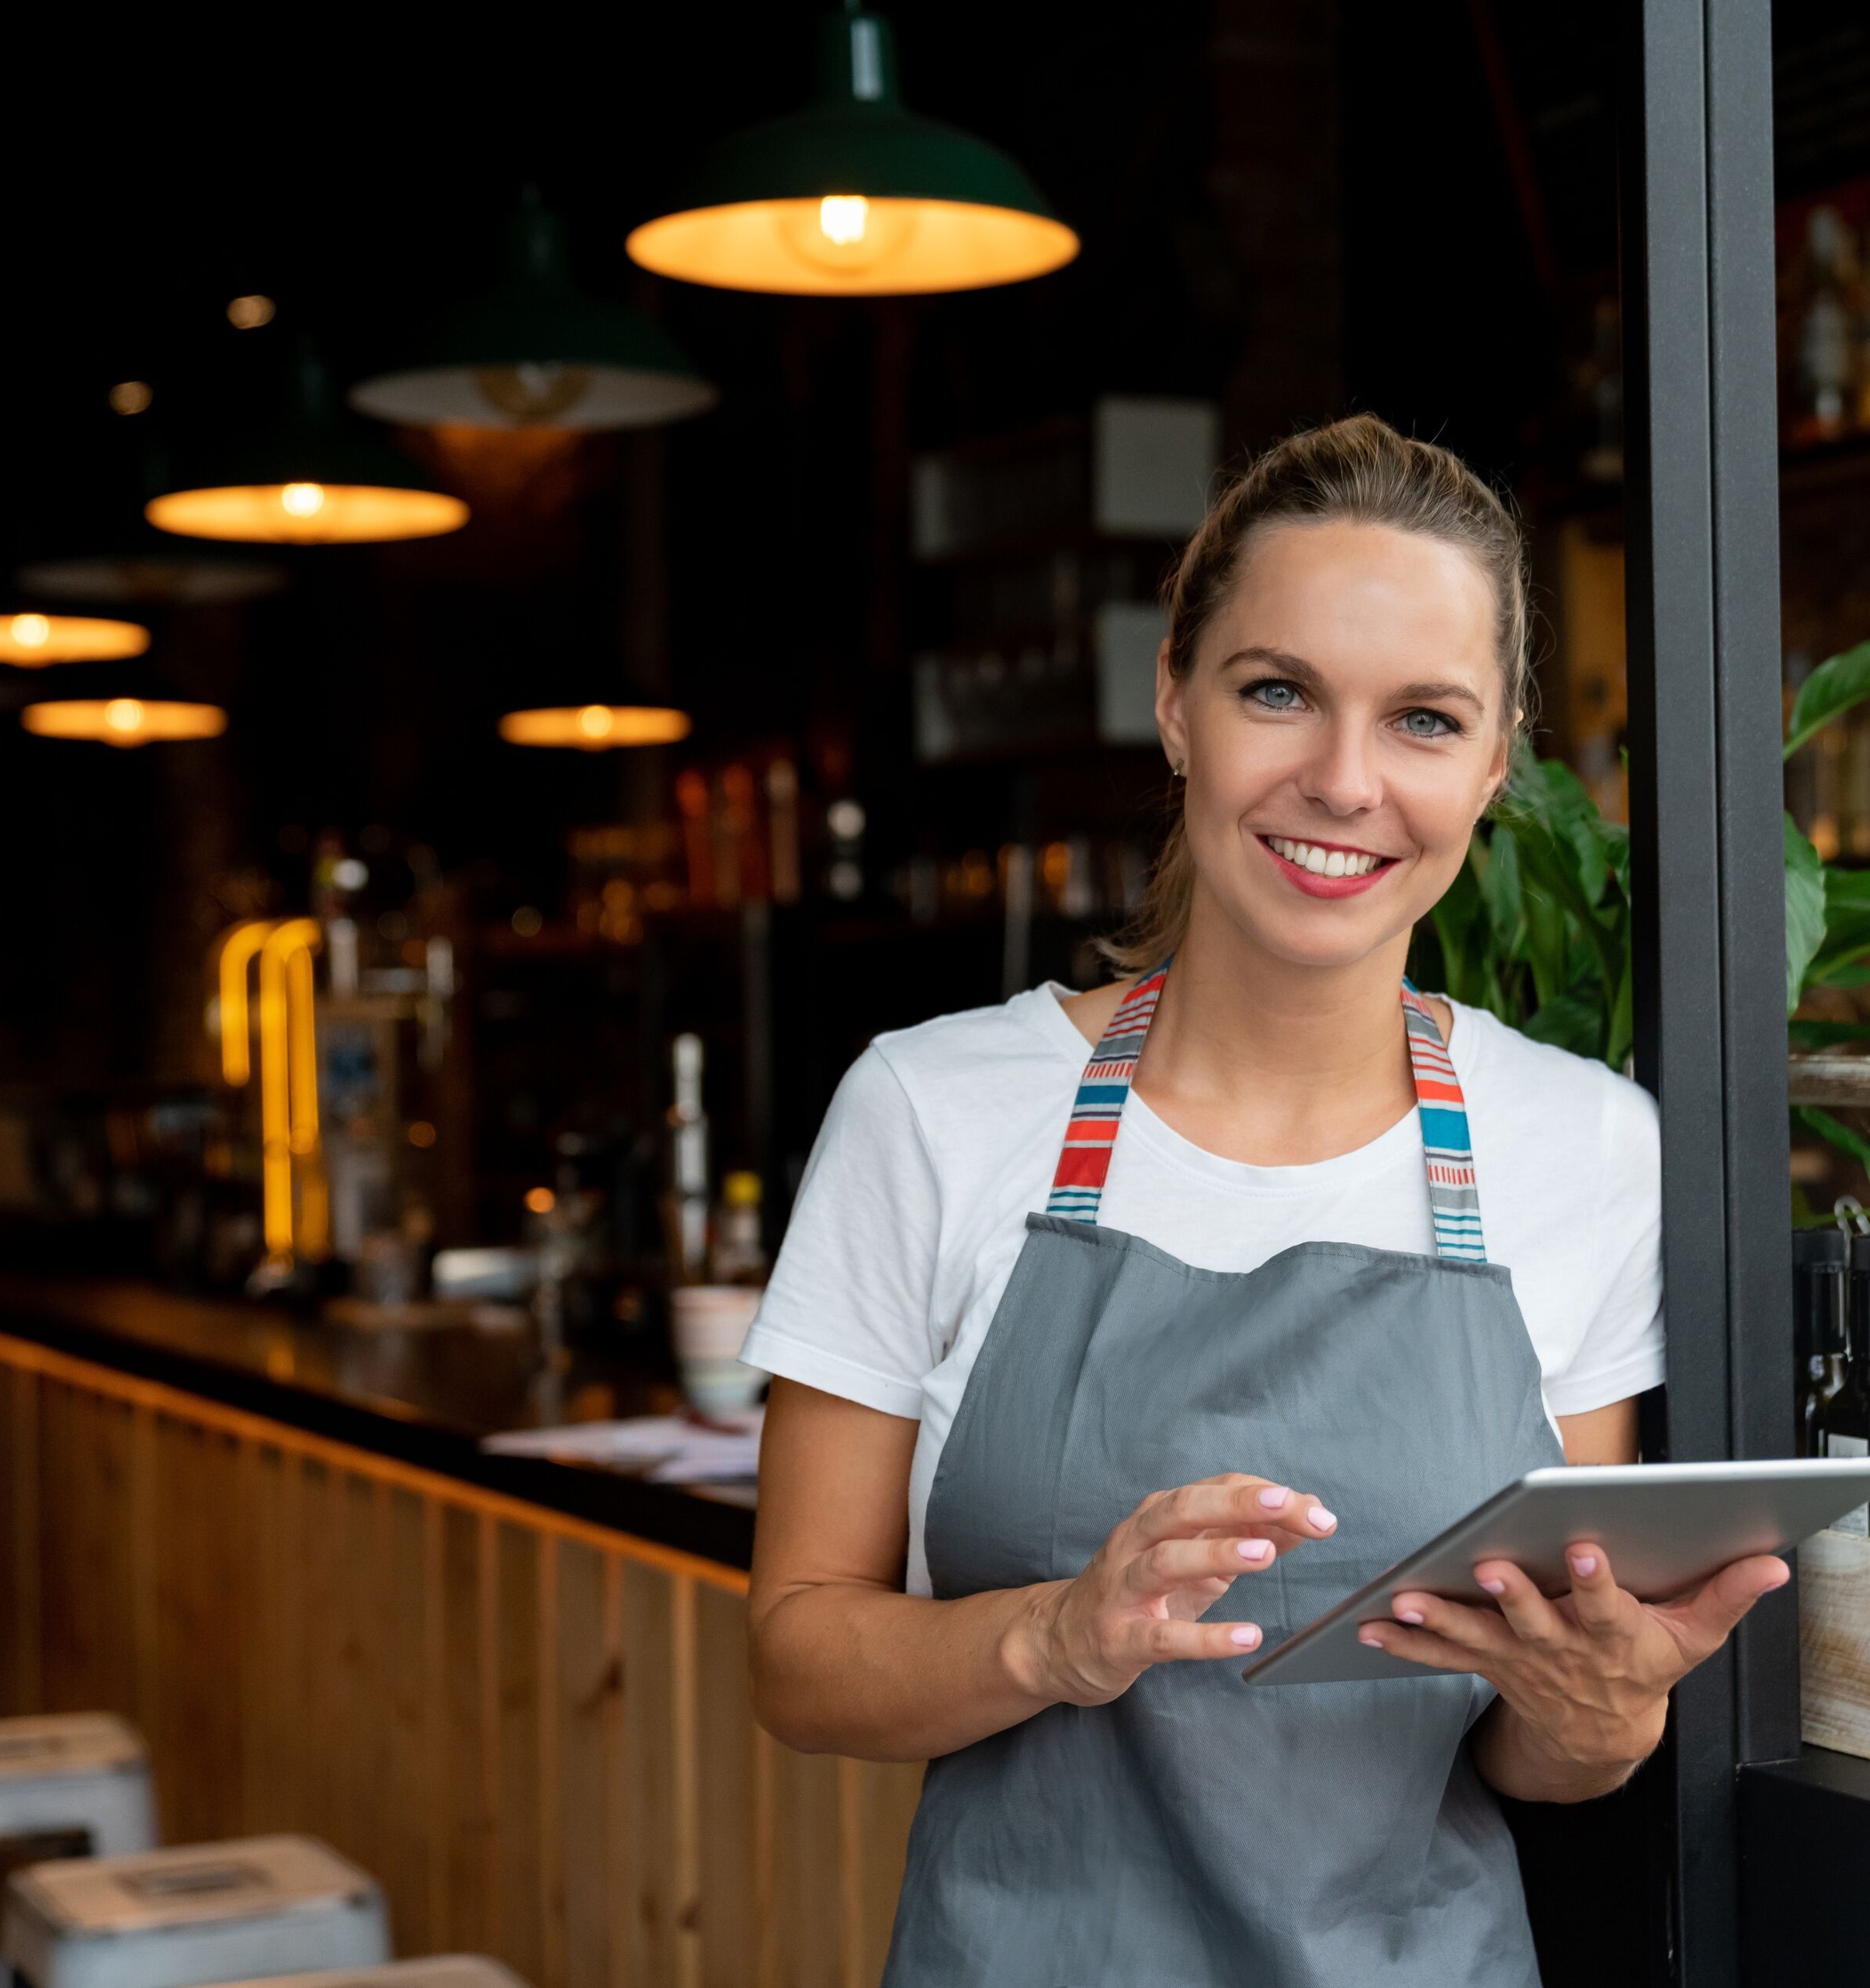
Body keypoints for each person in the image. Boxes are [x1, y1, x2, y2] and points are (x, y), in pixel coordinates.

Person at [743, 415, 1787, 1984]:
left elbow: (1527, 1747)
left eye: (1425, 720)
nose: (1344, 781)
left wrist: (1604, 1718)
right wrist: (1051, 1638)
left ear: (1500, 763)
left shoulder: (1584, 1150)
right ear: (1177, 701)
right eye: (1279, 691)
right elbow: (799, 1657)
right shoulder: (933, 1110)